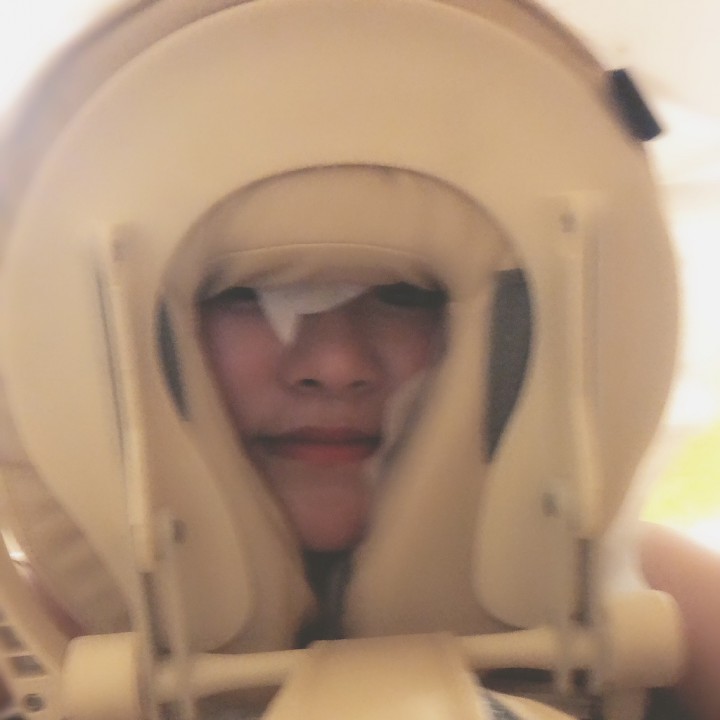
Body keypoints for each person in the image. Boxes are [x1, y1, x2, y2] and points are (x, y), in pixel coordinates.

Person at [0, 1, 718, 719]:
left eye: (406, 296)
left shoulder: (669, 606)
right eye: (246, 297)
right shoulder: (23, 657)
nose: (338, 364)